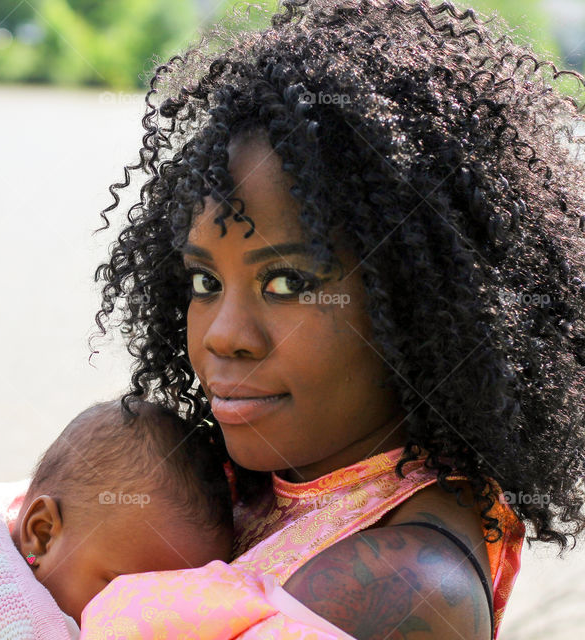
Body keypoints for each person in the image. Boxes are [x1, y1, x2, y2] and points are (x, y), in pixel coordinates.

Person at [82, 0, 585, 638]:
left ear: (413, 304)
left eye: (288, 283)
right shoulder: (229, 481)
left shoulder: (406, 585)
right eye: (205, 282)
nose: (223, 335)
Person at [0, 399, 234, 639]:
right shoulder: (16, 618)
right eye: (117, 590)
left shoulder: (52, 527)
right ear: (41, 533)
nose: (141, 618)